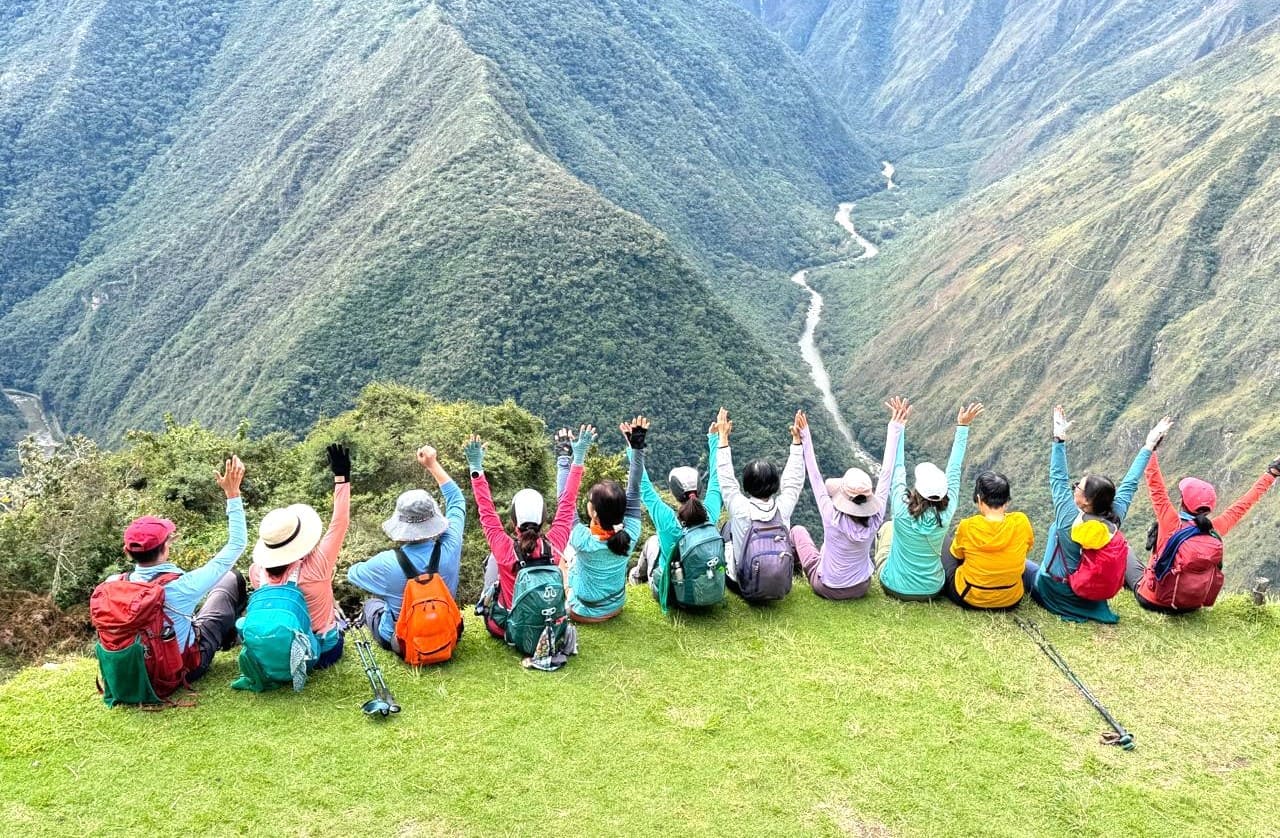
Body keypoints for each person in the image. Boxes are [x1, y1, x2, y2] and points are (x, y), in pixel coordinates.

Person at [1124, 419, 1279, 614]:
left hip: (1154, 600)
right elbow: (1245, 503)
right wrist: (1271, 474)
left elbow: (1155, 485)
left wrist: (1151, 447)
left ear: (1182, 501)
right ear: (1210, 507)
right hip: (1191, 605)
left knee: (1124, 550)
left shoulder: (1170, 521)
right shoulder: (1214, 528)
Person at [118, 456, 248, 683]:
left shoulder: (113, 584)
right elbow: (237, 544)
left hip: (132, 674)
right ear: (165, 548)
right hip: (179, 670)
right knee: (230, 578)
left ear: (127, 552)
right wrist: (232, 494)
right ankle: (232, 639)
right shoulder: (182, 586)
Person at [1027, 406, 1162, 623]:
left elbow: (1058, 478)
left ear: (1087, 501)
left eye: (1077, 488)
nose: (1073, 489)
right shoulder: (1114, 518)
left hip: (1057, 590)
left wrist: (1059, 439)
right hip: (1089, 593)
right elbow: (1130, 483)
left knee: (1024, 568)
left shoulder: (1068, 519)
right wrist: (1148, 446)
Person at [469, 425, 591, 638]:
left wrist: (475, 468)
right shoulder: (555, 544)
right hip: (547, 623)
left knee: (492, 561)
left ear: (513, 520)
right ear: (544, 519)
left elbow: (485, 509)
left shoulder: (503, 548)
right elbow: (567, 502)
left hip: (508, 628)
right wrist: (577, 459)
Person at [347, 444, 465, 651]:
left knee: (372, 605)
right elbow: (457, 501)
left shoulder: (386, 562)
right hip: (448, 635)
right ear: (434, 519)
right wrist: (432, 464)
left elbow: (352, 574)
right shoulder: (450, 546)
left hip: (403, 644)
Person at [792, 398, 907, 601]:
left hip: (827, 587)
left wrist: (805, 436)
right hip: (861, 586)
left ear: (843, 496)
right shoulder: (876, 515)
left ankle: (794, 574)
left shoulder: (831, 516)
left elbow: (815, 476)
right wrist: (895, 428)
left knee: (798, 532)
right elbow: (886, 473)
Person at [247, 444, 351, 667]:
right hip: (321, 653)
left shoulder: (257, 572)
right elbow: (339, 523)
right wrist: (342, 477)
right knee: (336, 630)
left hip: (278, 651)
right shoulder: (318, 565)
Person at [879, 403, 983, 601]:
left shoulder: (901, 509)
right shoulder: (947, 510)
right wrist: (963, 427)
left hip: (894, 586)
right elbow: (954, 469)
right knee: (945, 542)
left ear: (917, 488)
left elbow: (897, 467)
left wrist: (898, 427)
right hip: (932, 589)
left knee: (887, 529)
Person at [630, 418, 724, 613]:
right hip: (705, 589)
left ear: (673, 491)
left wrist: (634, 448)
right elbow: (717, 478)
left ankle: (636, 579)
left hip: (675, 596)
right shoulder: (710, 514)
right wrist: (714, 439)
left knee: (653, 542)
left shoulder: (667, 521)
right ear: (699, 488)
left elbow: (644, 486)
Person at [715, 406, 805, 598]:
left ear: (746, 486)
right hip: (780, 585)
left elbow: (726, 480)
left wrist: (723, 438)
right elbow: (794, 482)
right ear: (775, 484)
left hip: (743, 585)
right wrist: (797, 443)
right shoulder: (783, 509)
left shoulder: (740, 510)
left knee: (727, 528)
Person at [563, 417, 646, 622]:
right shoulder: (630, 534)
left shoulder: (584, 540)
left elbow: (564, 500)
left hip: (582, 611)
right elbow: (635, 488)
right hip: (616, 606)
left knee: (562, 559)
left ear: (595, 514)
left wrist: (570, 457)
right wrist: (637, 447)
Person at [941, 471, 1035, 609]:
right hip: (1010, 598)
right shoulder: (1021, 522)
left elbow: (957, 555)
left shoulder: (967, 526)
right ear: (1007, 501)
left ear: (979, 499)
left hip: (970, 596)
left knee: (944, 540)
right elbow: (1027, 548)